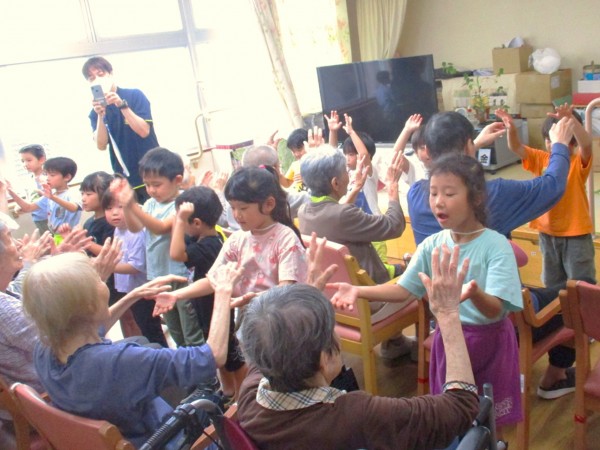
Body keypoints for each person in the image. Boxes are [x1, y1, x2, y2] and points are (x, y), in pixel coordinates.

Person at [331, 154, 523, 444]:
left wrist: (474, 293)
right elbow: (404, 289)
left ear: (476, 198)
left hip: (491, 343)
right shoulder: (433, 244)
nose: (438, 202)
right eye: (433, 193)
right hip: (449, 340)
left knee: (493, 422)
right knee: (451, 416)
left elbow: (496, 309)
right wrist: (359, 291)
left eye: (449, 193)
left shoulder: (496, 246)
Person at [236, 235, 480, 450]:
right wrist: (448, 314)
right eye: (332, 329)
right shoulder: (355, 416)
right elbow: (461, 407)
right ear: (323, 359)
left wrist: (305, 302)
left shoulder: (249, 398)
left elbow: (275, 341)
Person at [22, 251, 242, 449]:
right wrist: (222, 292)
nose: (103, 282)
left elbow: (89, 326)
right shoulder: (121, 362)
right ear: (89, 306)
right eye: (97, 280)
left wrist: (133, 295)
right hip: (162, 439)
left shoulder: (44, 349)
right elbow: (213, 356)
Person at [153, 167, 308, 325]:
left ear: (268, 204)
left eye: (243, 208)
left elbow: (286, 290)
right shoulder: (237, 240)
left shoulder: (285, 239)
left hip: (280, 321)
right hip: (250, 321)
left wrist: (250, 299)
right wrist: (176, 295)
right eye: (232, 207)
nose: (236, 215)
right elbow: (213, 280)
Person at [407, 111, 570, 245]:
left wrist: (474, 145)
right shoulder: (489, 194)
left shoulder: (415, 194)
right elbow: (552, 185)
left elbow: (449, 165)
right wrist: (560, 144)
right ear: (467, 147)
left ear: (427, 151)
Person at [110, 147, 203, 348]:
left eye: (156, 184)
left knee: (191, 330)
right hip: (159, 276)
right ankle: (182, 360)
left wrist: (133, 206)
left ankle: (200, 366)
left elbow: (160, 228)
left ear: (177, 180)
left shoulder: (183, 203)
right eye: (147, 185)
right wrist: (127, 206)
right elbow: (135, 227)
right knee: (175, 330)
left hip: (180, 276)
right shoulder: (151, 204)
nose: (151, 190)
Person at [498, 106, 596, 289]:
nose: (551, 144)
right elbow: (516, 147)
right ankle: (557, 307)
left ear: (571, 143)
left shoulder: (577, 161)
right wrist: (511, 129)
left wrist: (572, 121)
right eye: (548, 140)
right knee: (552, 281)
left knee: (581, 282)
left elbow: (586, 144)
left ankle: (584, 307)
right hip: (547, 232)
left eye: (556, 139)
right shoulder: (542, 158)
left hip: (575, 233)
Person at [171, 186, 246, 400]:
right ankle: (229, 390)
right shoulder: (206, 237)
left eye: (183, 222)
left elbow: (176, 253)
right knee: (216, 351)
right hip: (206, 308)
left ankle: (242, 394)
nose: (179, 225)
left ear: (196, 223)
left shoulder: (208, 246)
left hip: (217, 308)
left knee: (232, 355)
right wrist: (181, 219)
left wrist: (179, 220)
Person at [82, 56, 159, 204]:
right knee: (135, 217)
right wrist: (100, 115)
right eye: (91, 78)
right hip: (125, 176)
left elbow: (144, 131)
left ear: (110, 73)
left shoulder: (134, 95)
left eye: (100, 74)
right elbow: (101, 145)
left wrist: (121, 105)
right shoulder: (95, 113)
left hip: (153, 170)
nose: (97, 80)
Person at [102, 186, 167, 347]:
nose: (114, 213)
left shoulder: (136, 231)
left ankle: (162, 356)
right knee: (144, 327)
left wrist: (107, 266)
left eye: (120, 207)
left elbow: (136, 266)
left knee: (151, 329)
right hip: (133, 290)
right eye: (109, 208)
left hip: (144, 290)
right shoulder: (118, 229)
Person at [7, 156, 82, 240]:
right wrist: (11, 192)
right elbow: (28, 207)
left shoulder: (72, 193)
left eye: (52, 175)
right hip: (57, 236)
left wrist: (52, 197)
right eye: (46, 174)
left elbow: (73, 208)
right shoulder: (50, 194)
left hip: (70, 236)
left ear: (67, 177)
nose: (47, 178)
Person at [17, 144, 49, 233]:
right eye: (22, 161)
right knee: (46, 239)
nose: (25, 164)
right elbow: (30, 199)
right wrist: (20, 206)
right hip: (38, 218)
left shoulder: (49, 177)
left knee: (59, 239)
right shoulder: (28, 180)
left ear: (41, 159)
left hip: (50, 217)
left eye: (29, 160)